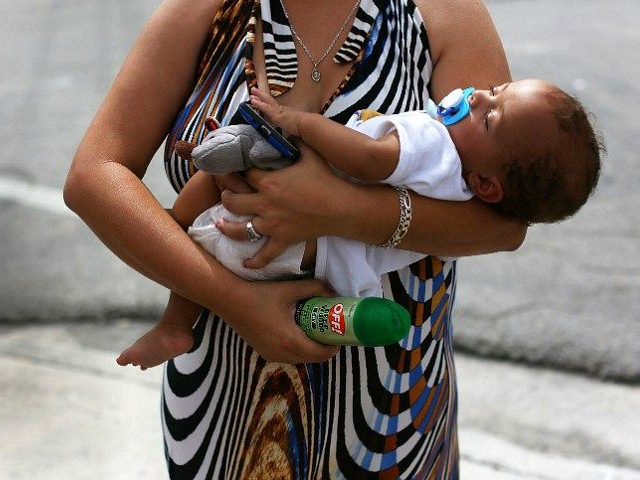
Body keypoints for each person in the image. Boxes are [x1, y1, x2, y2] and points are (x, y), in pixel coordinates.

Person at [64, 0, 530, 477]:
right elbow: (93, 176)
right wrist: (235, 301)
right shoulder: (203, 9)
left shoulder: (444, 13)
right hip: (221, 406)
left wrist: (339, 208)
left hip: (389, 411)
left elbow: (505, 219)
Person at [116, 79, 601, 370]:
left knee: (210, 195)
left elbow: (370, 159)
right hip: (317, 263)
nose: (477, 97)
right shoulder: (467, 186)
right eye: (494, 91)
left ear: (490, 183)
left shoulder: (435, 145)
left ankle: (174, 285)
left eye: (490, 114)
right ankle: (181, 317)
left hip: (288, 236)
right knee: (214, 212)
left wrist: (300, 123)